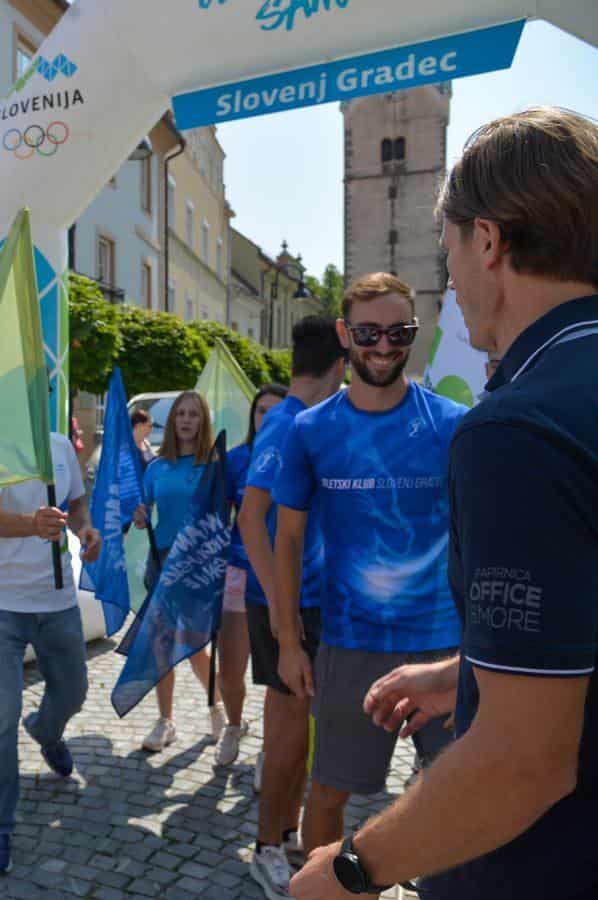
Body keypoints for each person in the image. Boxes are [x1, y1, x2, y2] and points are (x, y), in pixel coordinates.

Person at [292, 108, 598, 900]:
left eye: (449, 246)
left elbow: (522, 760)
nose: (451, 278)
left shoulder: (516, 428)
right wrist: (468, 672)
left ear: (487, 241)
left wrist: (353, 869)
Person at [270, 273, 467, 864]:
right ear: (344, 334)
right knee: (329, 792)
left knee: (461, 793)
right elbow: (287, 538)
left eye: (399, 332)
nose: (383, 346)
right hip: (351, 644)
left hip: (443, 645)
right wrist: (288, 642)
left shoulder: (453, 424)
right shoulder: (310, 429)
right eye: (368, 333)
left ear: (415, 333)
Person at [238, 317, 347, 899]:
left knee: (301, 735)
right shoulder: (286, 424)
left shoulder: (304, 419)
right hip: (286, 604)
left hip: (308, 600)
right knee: (286, 736)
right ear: (338, 367)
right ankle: (265, 849)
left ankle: (285, 834)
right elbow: (250, 519)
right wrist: (282, 609)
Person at [0, 430, 101, 875]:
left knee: (73, 692)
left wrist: (84, 529)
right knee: (0, 720)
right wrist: (32, 523)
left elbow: (77, 504)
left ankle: (46, 731)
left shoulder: (60, 445)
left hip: (57, 599)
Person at [132, 390, 222, 751]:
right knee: (161, 644)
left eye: (193, 414)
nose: (186, 420)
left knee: (196, 644)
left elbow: (225, 516)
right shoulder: (157, 467)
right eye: (180, 414)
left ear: (203, 422)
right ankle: (165, 721)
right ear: (172, 421)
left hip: (200, 566)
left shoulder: (214, 466)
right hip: (162, 562)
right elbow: (143, 511)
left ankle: (217, 707)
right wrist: (140, 516)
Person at [216, 383, 288, 770]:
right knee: (230, 670)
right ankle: (233, 725)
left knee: (278, 674)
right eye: (262, 411)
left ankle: (269, 749)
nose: (268, 418)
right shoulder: (236, 459)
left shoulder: (299, 455)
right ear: (252, 415)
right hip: (239, 574)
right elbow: (213, 515)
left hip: (284, 577)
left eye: (277, 411)